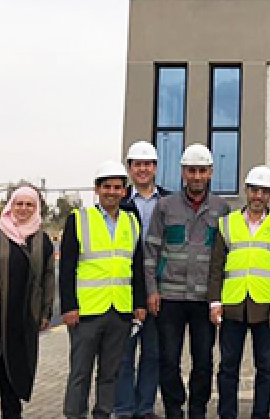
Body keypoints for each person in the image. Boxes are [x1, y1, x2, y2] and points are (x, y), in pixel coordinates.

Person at [144, 143, 230, 419]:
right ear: (183, 172)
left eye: (202, 171)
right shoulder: (165, 207)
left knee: (203, 361)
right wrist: (152, 290)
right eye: (191, 170)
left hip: (204, 299)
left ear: (210, 173)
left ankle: (197, 411)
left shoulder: (222, 209)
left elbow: (226, 257)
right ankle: (173, 409)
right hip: (170, 298)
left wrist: (219, 298)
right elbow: (151, 251)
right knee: (169, 360)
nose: (196, 176)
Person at [60, 161, 147, 419]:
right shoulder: (79, 219)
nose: (112, 192)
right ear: (96, 189)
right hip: (86, 311)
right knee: (80, 373)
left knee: (111, 373)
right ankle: (75, 415)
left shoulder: (132, 221)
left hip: (119, 309)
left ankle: (103, 414)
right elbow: (67, 267)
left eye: (117, 187)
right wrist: (69, 306)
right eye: (106, 186)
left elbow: (137, 266)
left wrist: (139, 303)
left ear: (124, 191)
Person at [208, 165, 270, 419]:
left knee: (266, 367)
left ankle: (261, 414)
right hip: (232, 305)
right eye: (254, 190)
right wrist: (215, 302)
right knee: (228, 367)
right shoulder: (227, 223)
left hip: (265, 307)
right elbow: (216, 267)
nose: (258, 196)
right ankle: (227, 414)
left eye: (264, 192)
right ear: (246, 191)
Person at [0, 185, 56, 419]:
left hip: (23, 318)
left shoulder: (42, 239)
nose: (23, 209)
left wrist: (45, 311)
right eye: (19, 204)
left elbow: (48, 277)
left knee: (15, 372)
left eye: (29, 205)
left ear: (36, 208)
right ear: (10, 206)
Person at [115, 140, 167, 419]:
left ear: (155, 167)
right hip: (126, 287)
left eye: (148, 164)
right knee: (124, 354)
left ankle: (145, 408)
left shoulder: (169, 201)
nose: (143, 169)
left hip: (159, 287)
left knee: (153, 353)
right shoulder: (118, 202)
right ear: (130, 168)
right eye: (138, 164)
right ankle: (124, 408)